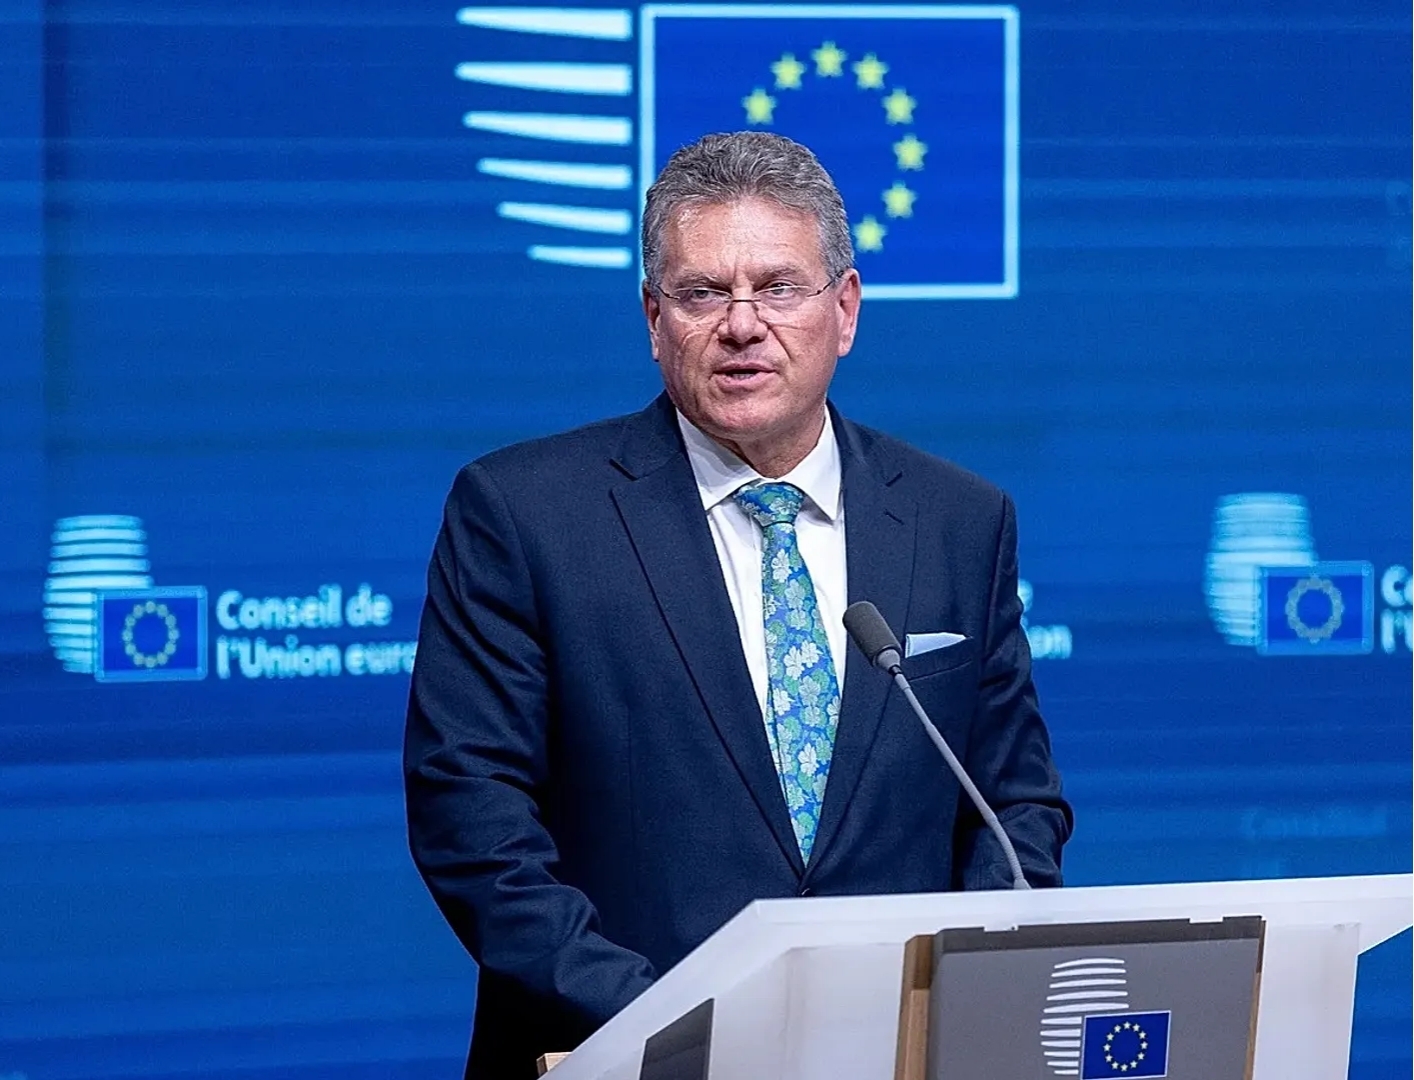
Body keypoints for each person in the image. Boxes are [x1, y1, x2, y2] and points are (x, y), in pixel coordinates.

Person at [403, 131, 1071, 1080]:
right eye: (703, 293)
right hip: (621, 1054)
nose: (742, 325)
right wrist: (674, 1024)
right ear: (653, 318)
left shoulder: (959, 519)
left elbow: (1015, 806)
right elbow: (472, 819)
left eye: (779, 287)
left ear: (845, 308)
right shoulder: (523, 514)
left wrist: (960, 1001)